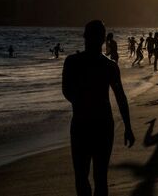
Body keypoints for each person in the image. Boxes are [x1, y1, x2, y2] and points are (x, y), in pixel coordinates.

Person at [62, 20, 135, 196]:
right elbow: (120, 98)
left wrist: (81, 101)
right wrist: (128, 127)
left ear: (84, 36)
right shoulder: (109, 66)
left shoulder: (72, 62)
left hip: (81, 123)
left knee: (81, 176)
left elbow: (66, 91)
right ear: (104, 39)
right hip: (103, 124)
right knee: (100, 177)